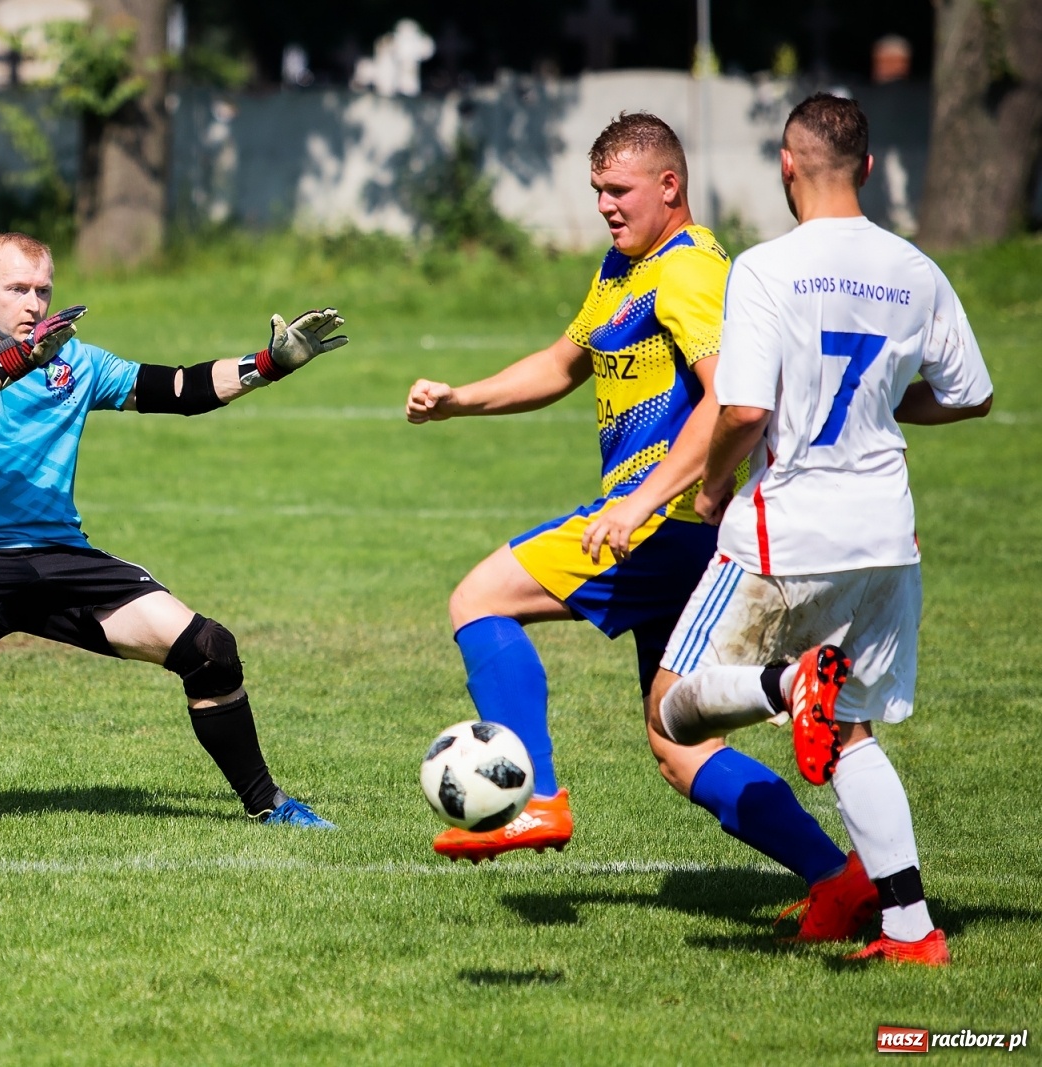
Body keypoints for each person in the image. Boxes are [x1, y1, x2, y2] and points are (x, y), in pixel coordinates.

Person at [406, 114, 860, 911]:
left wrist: (644, 500)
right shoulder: (626, 266)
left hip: (662, 521)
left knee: (478, 598)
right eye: (598, 193)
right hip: (670, 524)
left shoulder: (687, 271)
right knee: (677, 741)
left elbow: (728, 397)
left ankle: (536, 796)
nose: (607, 207)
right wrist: (459, 401)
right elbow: (561, 362)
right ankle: (837, 879)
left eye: (619, 192)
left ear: (669, 187)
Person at [649, 93, 993, 965]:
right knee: (850, 730)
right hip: (884, 534)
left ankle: (783, 682)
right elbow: (970, 393)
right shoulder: (915, 268)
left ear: (786, 165)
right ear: (870, 170)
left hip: (784, 529)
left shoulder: (767, 267)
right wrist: (883, 405)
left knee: (673, 715)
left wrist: (714, 484)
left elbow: (746, 405)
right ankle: (912, 933)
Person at [0, 231, 346, 831]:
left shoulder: (76, 360)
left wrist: (267, 365)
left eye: (43, 290)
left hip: (60, 556)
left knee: (211, 651)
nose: (33, 303)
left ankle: (270, 803)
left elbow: (178, 389)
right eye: (16, 289)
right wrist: (16, 362)